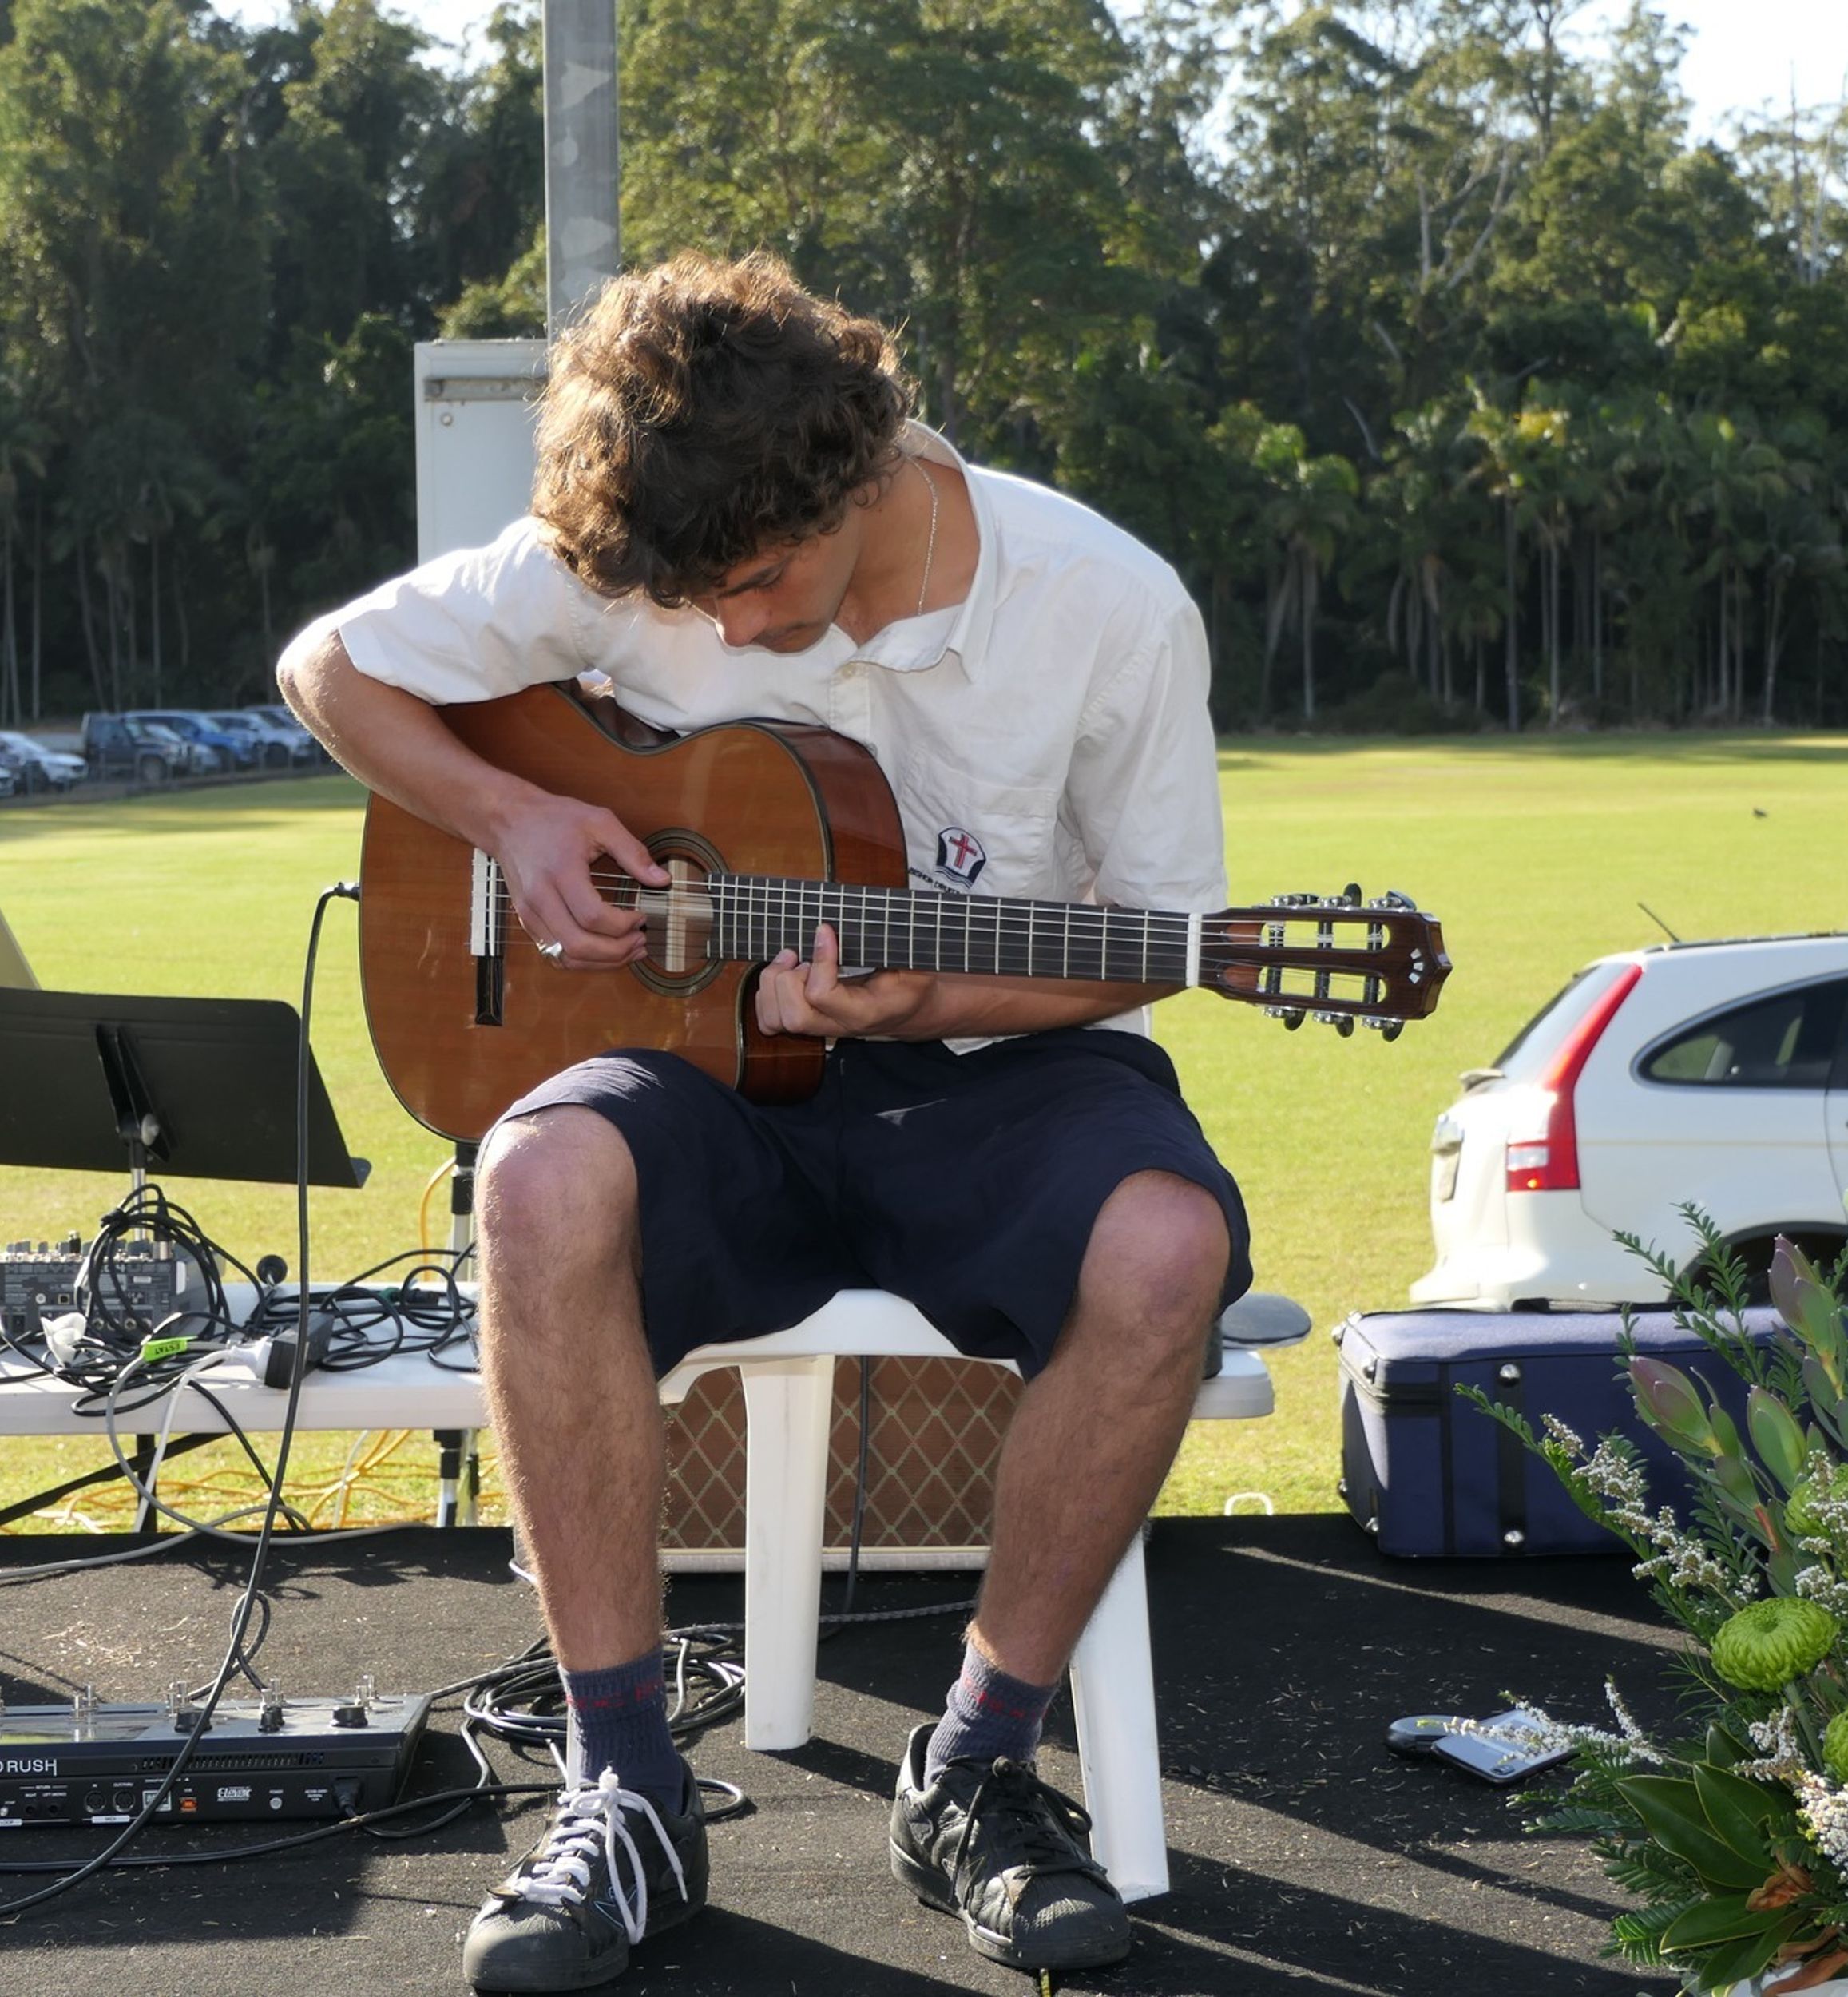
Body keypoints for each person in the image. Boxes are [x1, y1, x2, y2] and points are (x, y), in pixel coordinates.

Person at [277, 249, 1251, 1994]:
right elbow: (326, 667)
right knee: (537, 1177)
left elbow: (1149, 942)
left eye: (753, 584)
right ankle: (626, 1783)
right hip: (705, 1078)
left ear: (857, 470)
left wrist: (925, 1001)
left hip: (1000, 1069)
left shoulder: (1106, 605)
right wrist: (512, 816)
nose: (722, 630)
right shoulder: (641, 550)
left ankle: (973, 1766)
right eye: (690, 601)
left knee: (1166, 1242)